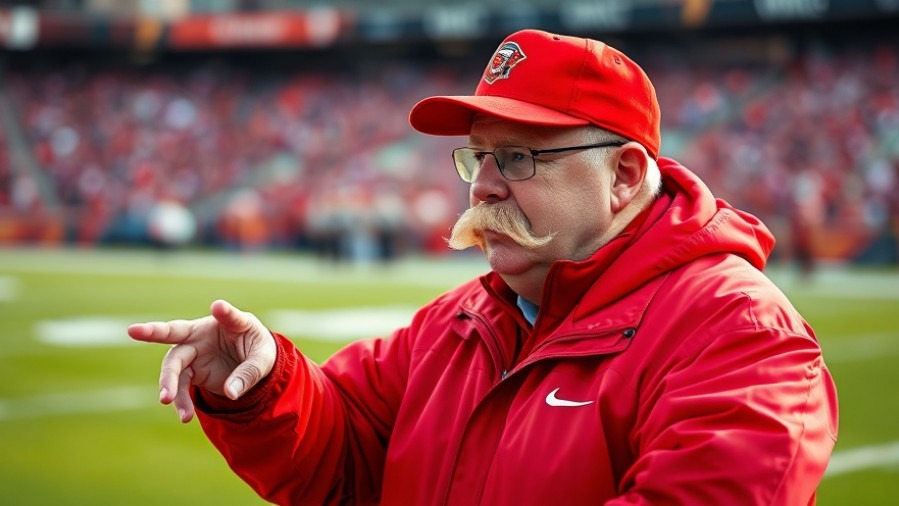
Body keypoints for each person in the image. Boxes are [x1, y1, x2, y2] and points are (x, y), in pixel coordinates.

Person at [128, 29, 838, 505]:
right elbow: (343, 453)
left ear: (623, 176)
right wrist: (264, 387)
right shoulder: (461, 319)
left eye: (520, 157)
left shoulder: (736, 330)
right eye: (479, 156)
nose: (484, 185)